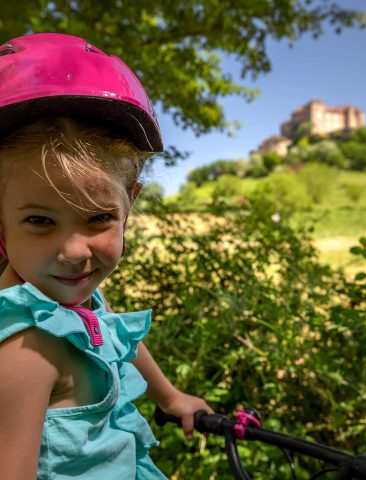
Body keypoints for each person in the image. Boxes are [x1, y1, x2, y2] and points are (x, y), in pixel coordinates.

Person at [0, 33, 212, 480]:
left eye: (97, 218)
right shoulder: (26, 349)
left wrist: (170, 397)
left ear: (128, 205)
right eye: (40, 221)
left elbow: (112, 333)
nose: (75, 252)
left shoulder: (64, 301)